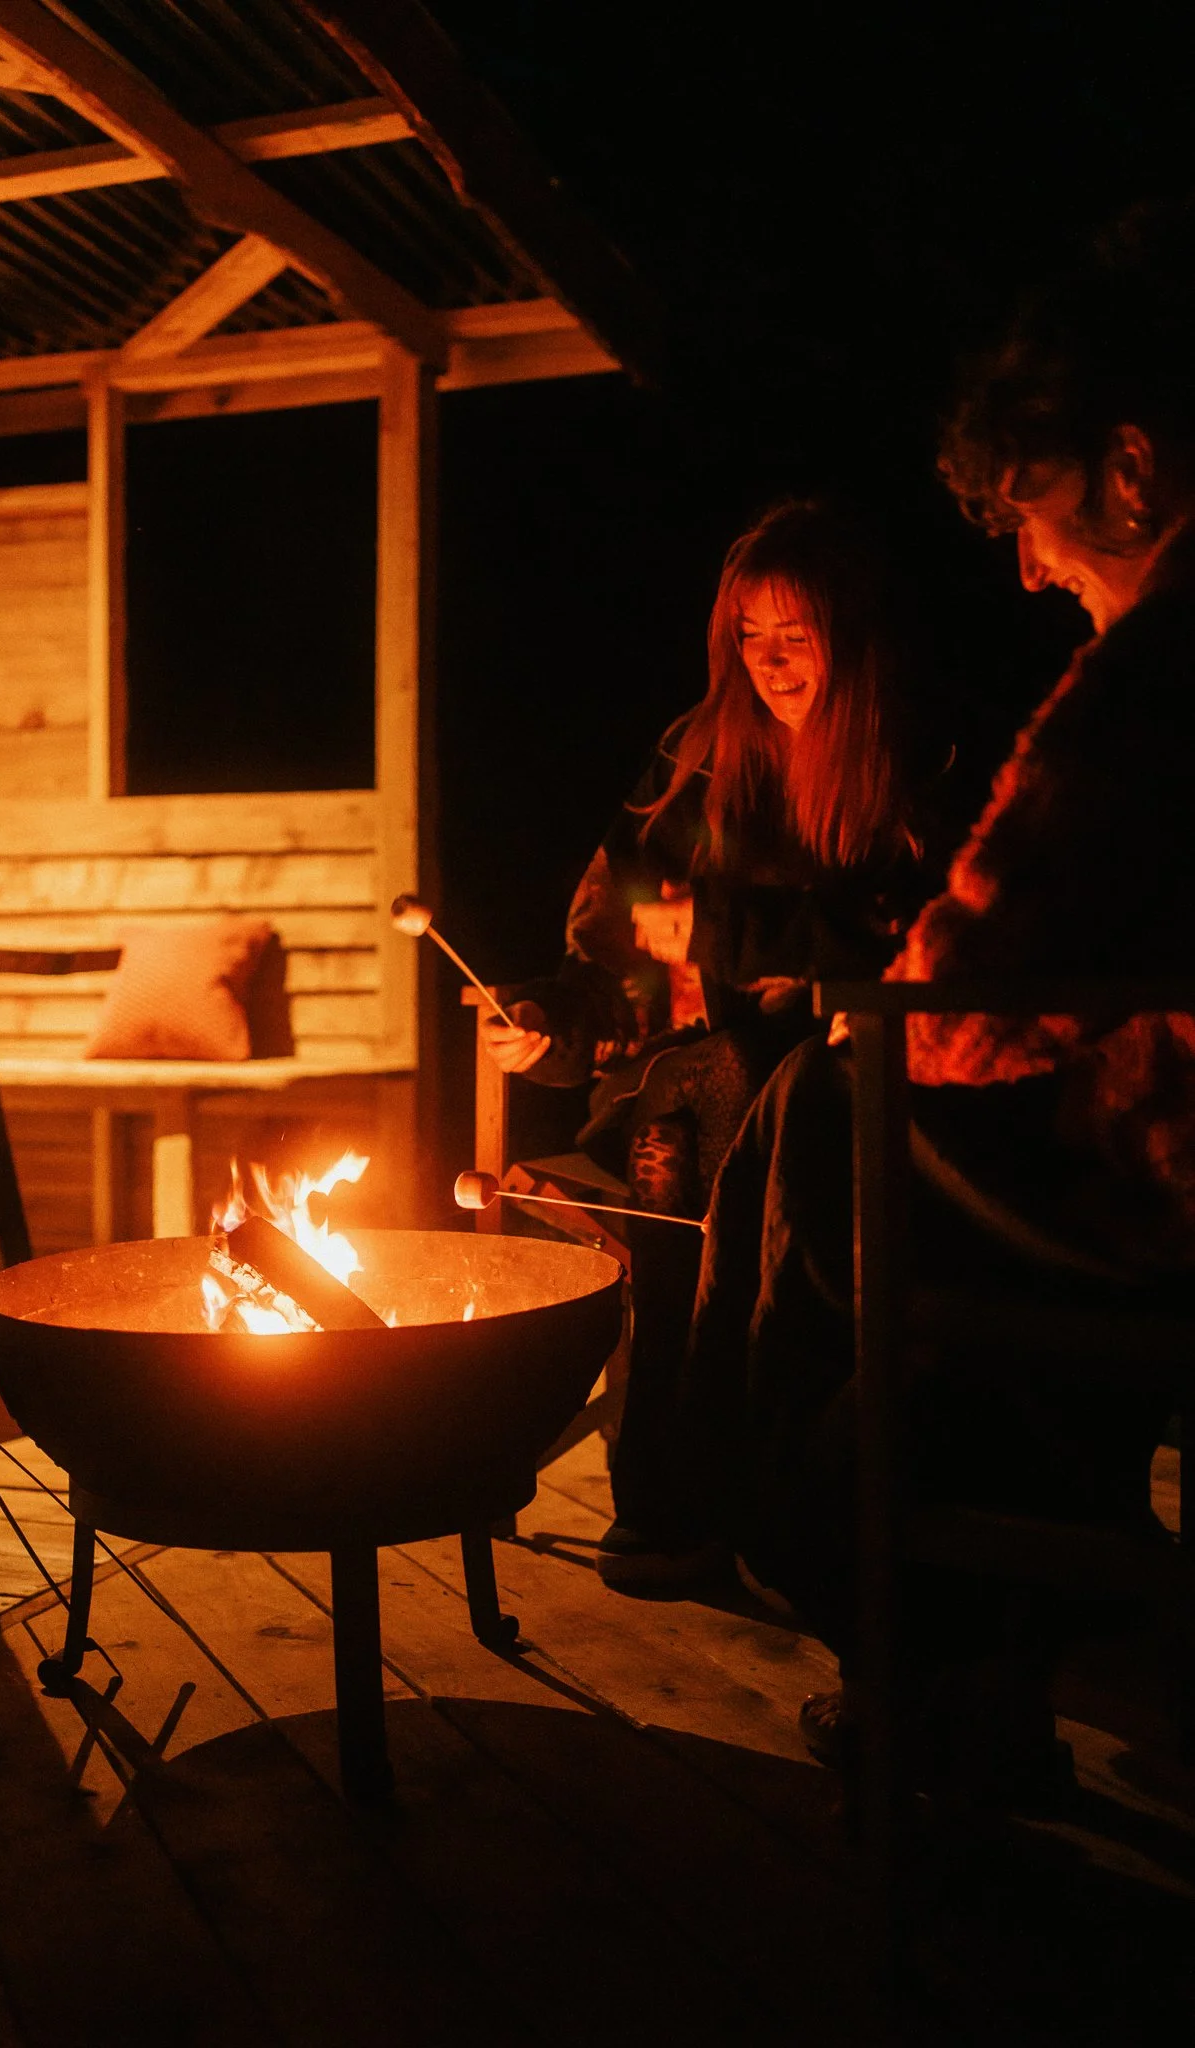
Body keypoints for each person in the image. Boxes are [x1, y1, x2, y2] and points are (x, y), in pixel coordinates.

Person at [689, 197, 1195, 1797]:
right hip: (1147, 1137)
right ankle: (976, 1635)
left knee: (819, 1128)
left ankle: (876, 1617)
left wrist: (859, 1014)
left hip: (1164, 1189)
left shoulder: (1164, 670)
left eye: (1034, 514)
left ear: (1131, 468)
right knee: (816, 1127)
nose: (1033, 567)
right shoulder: (717, 768)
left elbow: (967, 995)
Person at [481, 500, 940, 1587]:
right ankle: (672, 1501)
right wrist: (549, 1026)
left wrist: (741, 933)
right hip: (694, 1082)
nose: (771, 662)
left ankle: (739, 1504)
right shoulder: (695, 767)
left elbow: (918, 940)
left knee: (737, 1135)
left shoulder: (913, 766)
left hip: (860, 1087)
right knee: (685, 1143)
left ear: (851, 635)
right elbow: (615, 959)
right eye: (750, 634)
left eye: (797, 635)